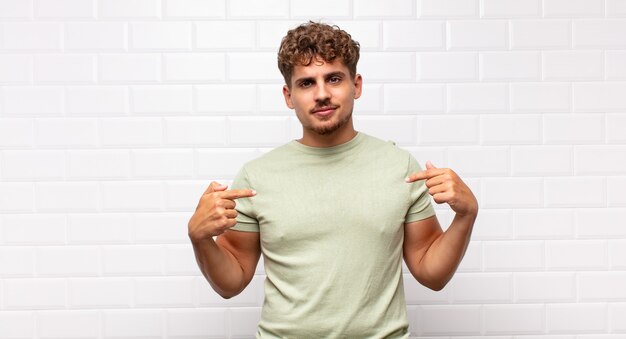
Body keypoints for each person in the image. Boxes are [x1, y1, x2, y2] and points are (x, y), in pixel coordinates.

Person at [188, 21, 478, 338]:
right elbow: (232, 281)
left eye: (334, 79)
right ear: (289, 95)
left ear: (357, 85)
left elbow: (430, 272)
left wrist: (466, 215)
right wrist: (200, 238)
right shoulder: (256, 176)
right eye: (307, 83)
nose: (322, 94)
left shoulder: (400, 167)